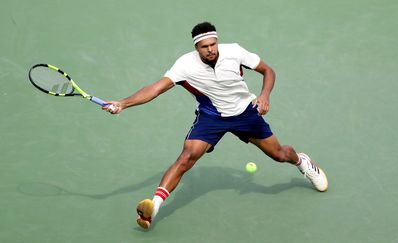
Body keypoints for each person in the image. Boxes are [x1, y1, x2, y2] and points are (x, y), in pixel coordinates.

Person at [102, 21, 328, 229]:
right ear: (196, 48)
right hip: (212, 117)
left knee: (279, 154)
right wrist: (123, 103)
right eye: (204, 46)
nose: (210, 49)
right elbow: (156, 88)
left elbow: (268, 71)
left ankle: (302, 162)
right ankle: (153, 208)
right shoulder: (184, 65)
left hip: (245, 113)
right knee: (186, 157)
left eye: (213, 44)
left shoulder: (235, 52)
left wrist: (265, 95)